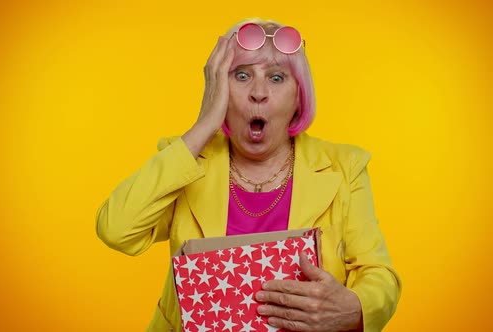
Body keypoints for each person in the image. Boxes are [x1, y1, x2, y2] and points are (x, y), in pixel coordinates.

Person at [96, 18, 401, 332]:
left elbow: (379, 276)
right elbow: (117, 229)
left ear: (299, 96)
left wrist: (353, 307)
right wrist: (204, 125)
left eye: (277, 77)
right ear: (219, 89)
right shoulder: (185, 159)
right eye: (241, 76)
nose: (258, 93)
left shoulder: (344, 166)